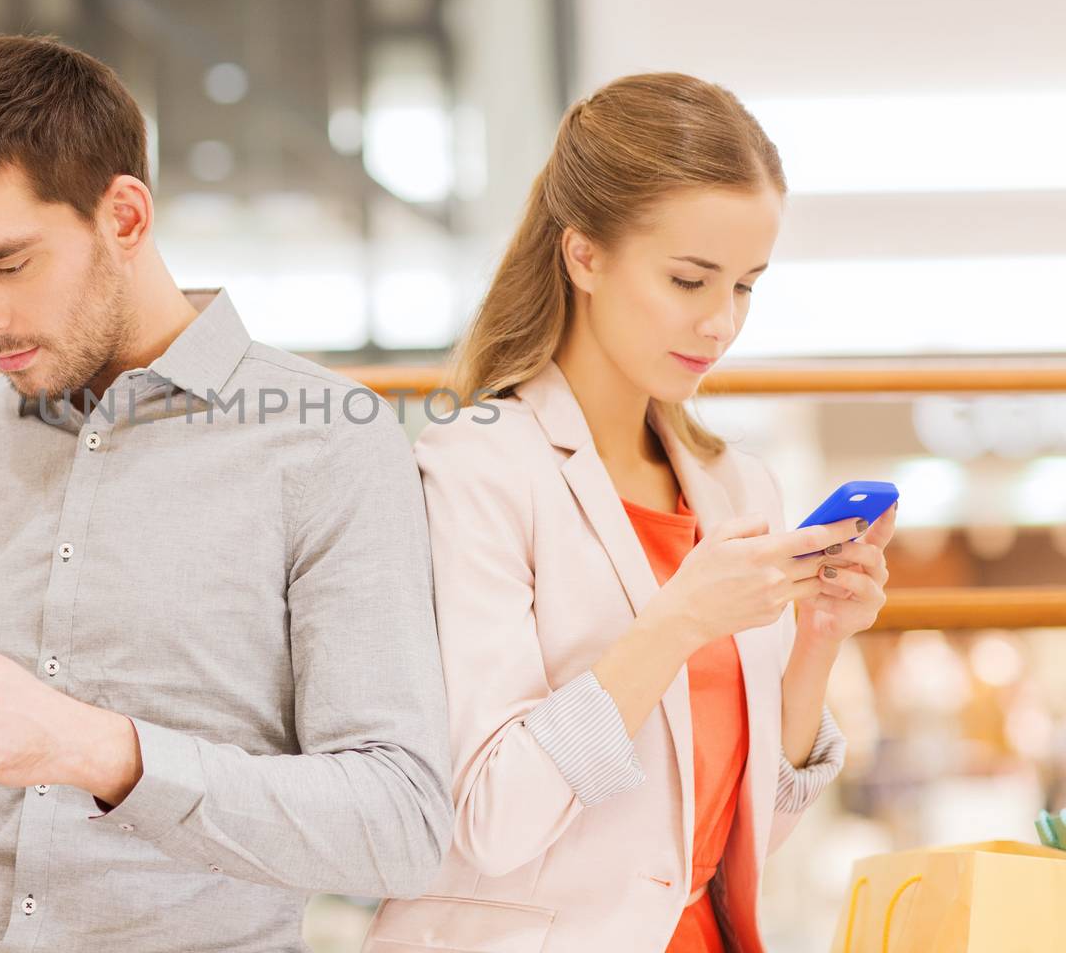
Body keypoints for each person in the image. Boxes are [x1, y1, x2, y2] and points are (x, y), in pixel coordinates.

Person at [0, 34, 452, 952]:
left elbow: (397, 826)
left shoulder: (327, 440)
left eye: (7, 265)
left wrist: (94, 749)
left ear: (124, 217)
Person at [364, 73, 895, 953]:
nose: (721, 323)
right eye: (690, 280)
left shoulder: (736, 488)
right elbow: (490, 819)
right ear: (584, 256)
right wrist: (679, 621)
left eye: (747, 286)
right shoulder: (475, 470)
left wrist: (818, 640)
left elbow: (739, 841)